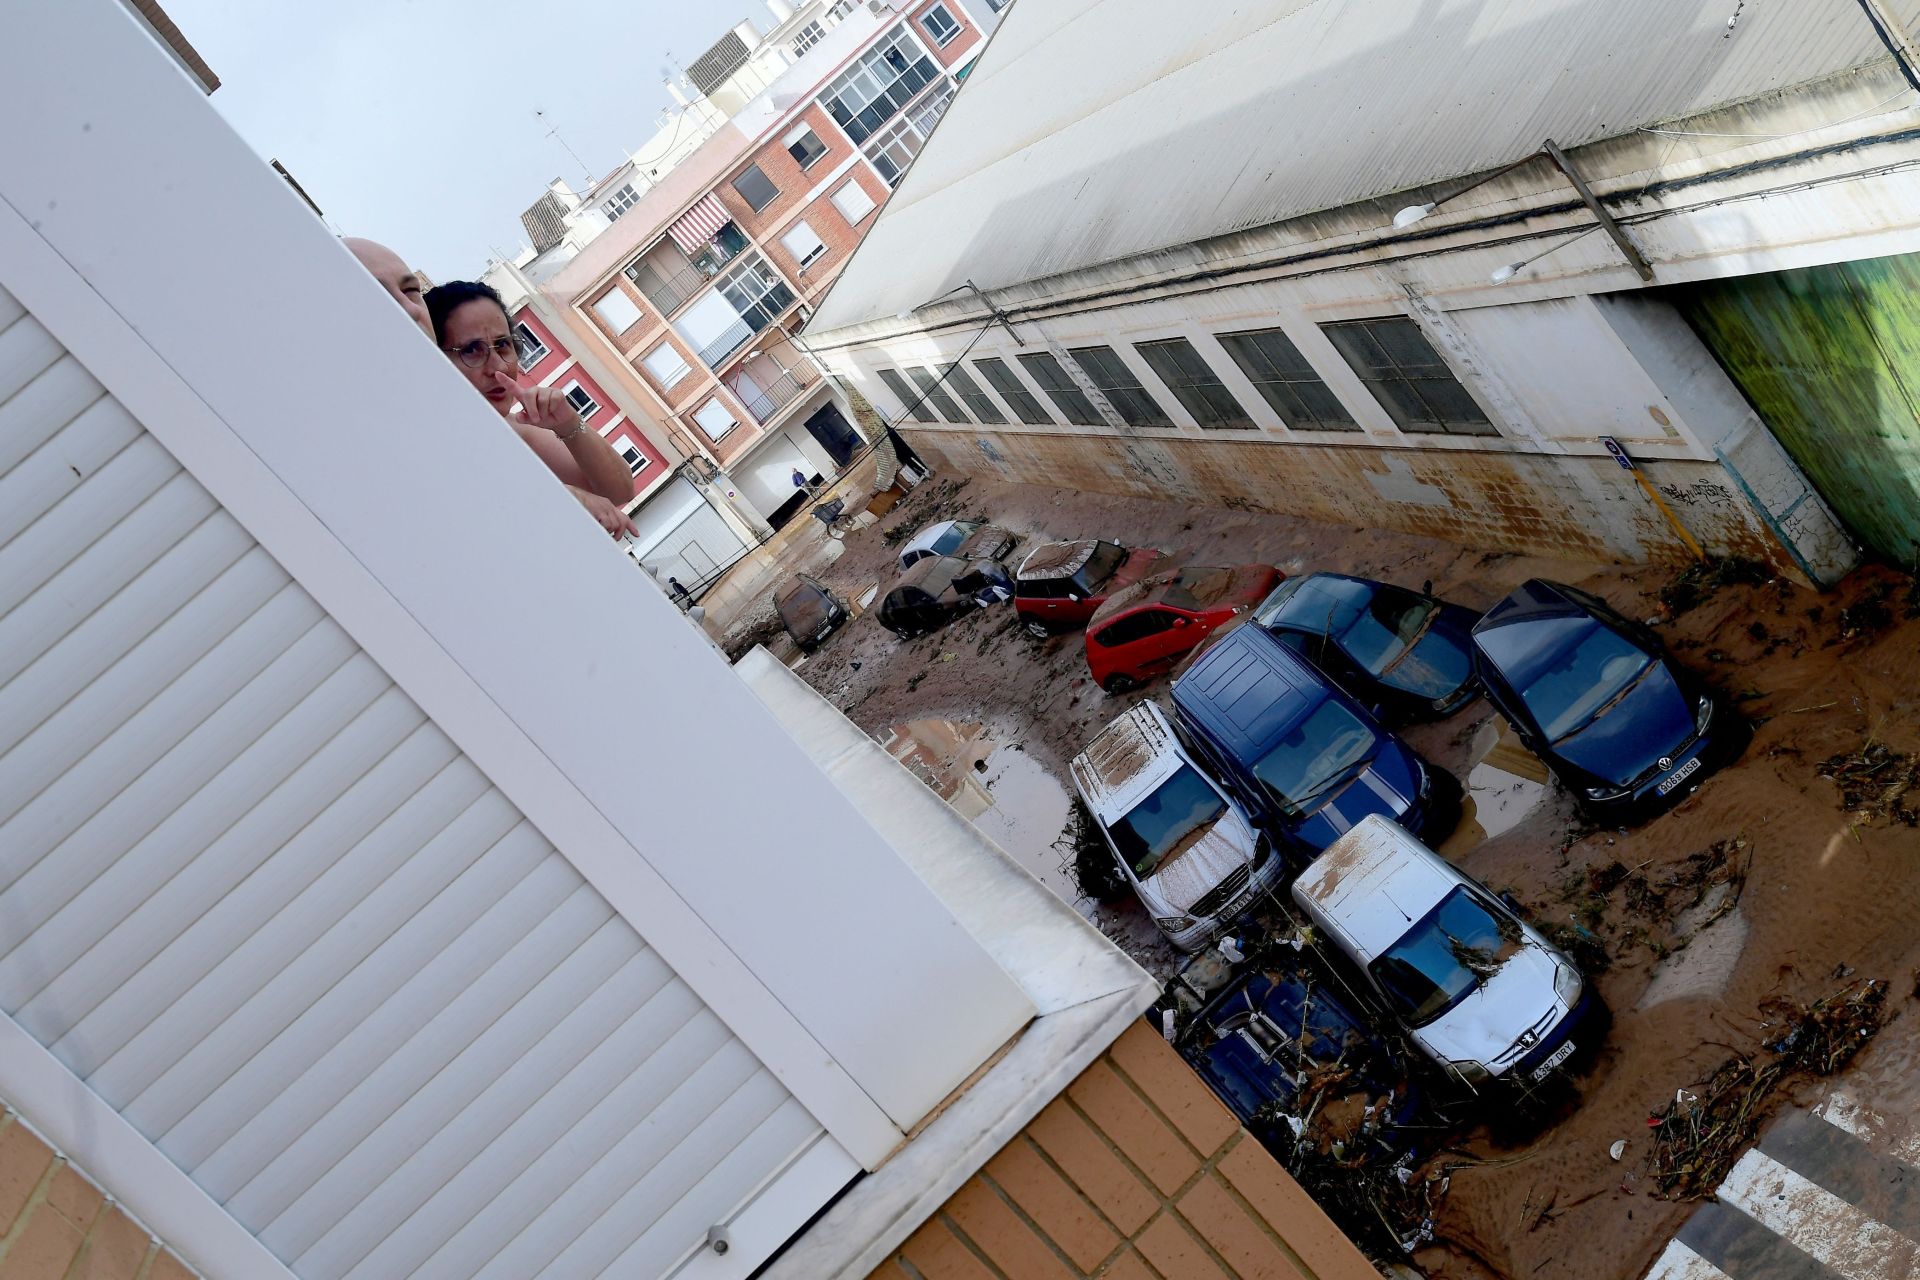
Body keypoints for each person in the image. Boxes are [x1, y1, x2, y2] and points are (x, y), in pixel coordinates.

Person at [422, 279, 637, 536]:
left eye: (503, 345)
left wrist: (568, 423)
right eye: (472, 350)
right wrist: (564, 496)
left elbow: (620, 492)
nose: (499, 367)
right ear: (433, 357)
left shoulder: (516, 428)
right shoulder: (426, 438)